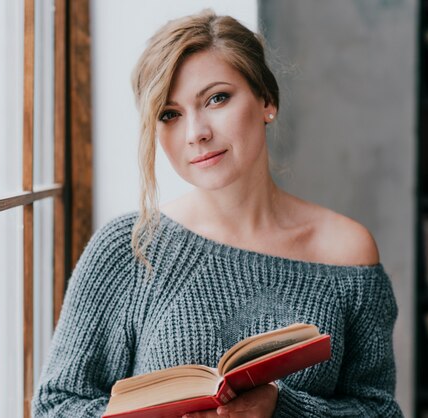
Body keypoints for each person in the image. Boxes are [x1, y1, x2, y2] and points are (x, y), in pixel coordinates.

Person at [33, 9, 403, 418]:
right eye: (169, 115)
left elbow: (378, 410)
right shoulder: (128, 248)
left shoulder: (347, 252)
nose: (196, 133)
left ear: (267, 100)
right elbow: (55, 406)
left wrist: (278, 409)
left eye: (216, 99)